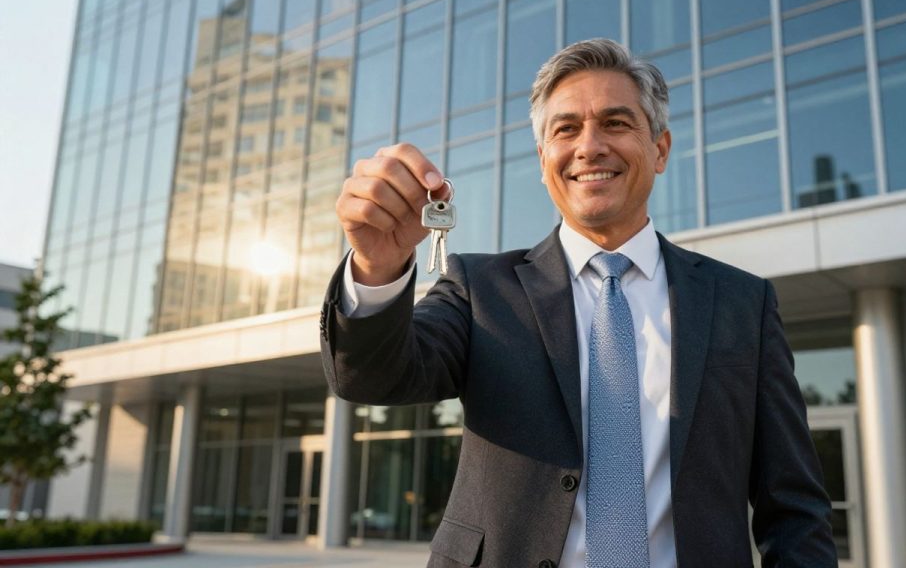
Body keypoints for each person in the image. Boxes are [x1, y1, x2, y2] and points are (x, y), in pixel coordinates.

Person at [320, 38, 837, 567]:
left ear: (660, 149)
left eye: (615, 123)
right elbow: (371, 378)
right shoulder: (480, 288)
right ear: (543, 159)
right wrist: (377, 268)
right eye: (566, 129)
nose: (589, 147)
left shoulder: (742, 303)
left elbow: (794, 508)